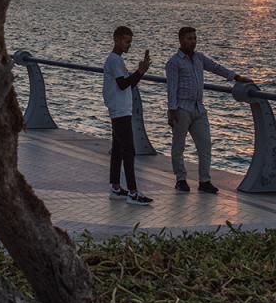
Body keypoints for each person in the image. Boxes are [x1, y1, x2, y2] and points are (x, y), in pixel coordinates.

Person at [164, 27, 251, 193]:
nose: (193, 41)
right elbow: (171, 88)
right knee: (178, 146)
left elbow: (216, 68)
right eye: (189, 38)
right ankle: (181, 179)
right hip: (181, 108)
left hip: (199, 108)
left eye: (194, 38)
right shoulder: (174, 62)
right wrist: (172, 110)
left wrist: (236, 77)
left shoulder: (199, 58)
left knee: (205, 145)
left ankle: (204, 181)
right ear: (181, 40)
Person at [103, 26, 152, 204]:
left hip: (121, 109)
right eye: (125, 41)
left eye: (130, 42)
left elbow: (127, 85)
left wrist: (141, 72)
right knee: (129, 150)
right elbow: (123, 84)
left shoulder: (117, 61)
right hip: (120, 111)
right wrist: (139, 71)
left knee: (117, 149)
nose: (128, 45)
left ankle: (115, 187)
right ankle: (132, 192)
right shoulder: (114, 60)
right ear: (116, 39)